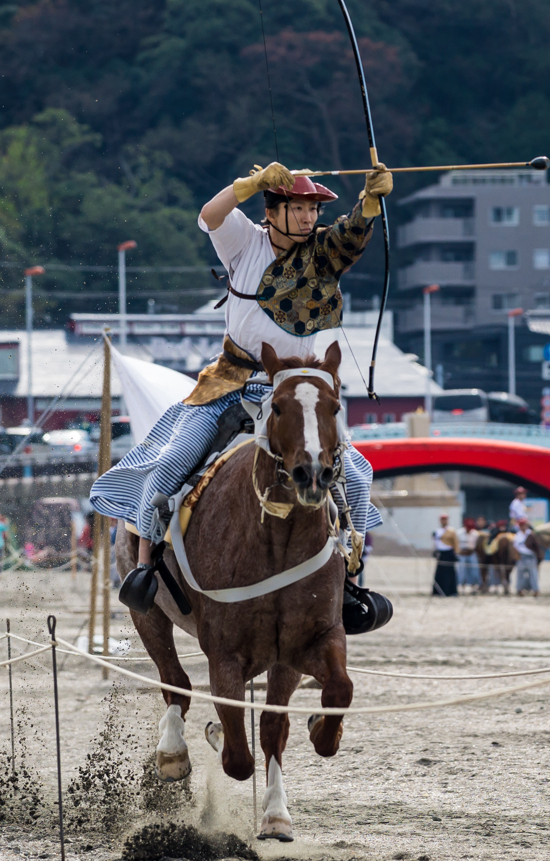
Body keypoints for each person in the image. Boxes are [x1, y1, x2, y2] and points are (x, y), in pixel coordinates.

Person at [90, 160, 394, 632]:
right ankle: (145, 566)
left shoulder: (321, 252)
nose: (310, 218)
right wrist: (249, 185)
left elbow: (351, 235)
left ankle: (350, 576)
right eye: (299, 208)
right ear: (273, 211)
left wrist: (370, 201)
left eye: (314, 210)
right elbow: (210, 214)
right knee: (172, 464)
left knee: (355, 474)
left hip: (295, 389)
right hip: (229, 382)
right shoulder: (244, 241)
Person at [512, 516, 541, 596]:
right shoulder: (517, 535)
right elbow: (515, 547)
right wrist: (517, 556)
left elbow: (537, 546)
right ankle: (519, 589)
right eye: (521, 525)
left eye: (524, 525)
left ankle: (535, 590)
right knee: (520, 574)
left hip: (531, 556)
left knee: (533, 574)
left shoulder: (531, 534)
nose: (523, 526)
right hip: (522, 557)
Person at [432, 513, 459, 596]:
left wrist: (456, 553)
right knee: (439, 573)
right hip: (441, 553)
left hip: (449, 553)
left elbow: (455, 542)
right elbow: (435, 542)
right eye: (442, 519)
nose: (443, 521)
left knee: (450, 573)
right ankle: (438, 592)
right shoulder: (437, 531)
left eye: (445, 519)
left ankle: (451, 591)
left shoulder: (451, 531)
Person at [457, 516, 481, 592]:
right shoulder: (459, 533)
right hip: (462, 554)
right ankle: (461, 585)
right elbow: (456, 544)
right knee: (461, 570)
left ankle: (474, 585)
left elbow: (476, 545)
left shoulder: (475, 534)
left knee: (474, 570)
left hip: (471, 553)